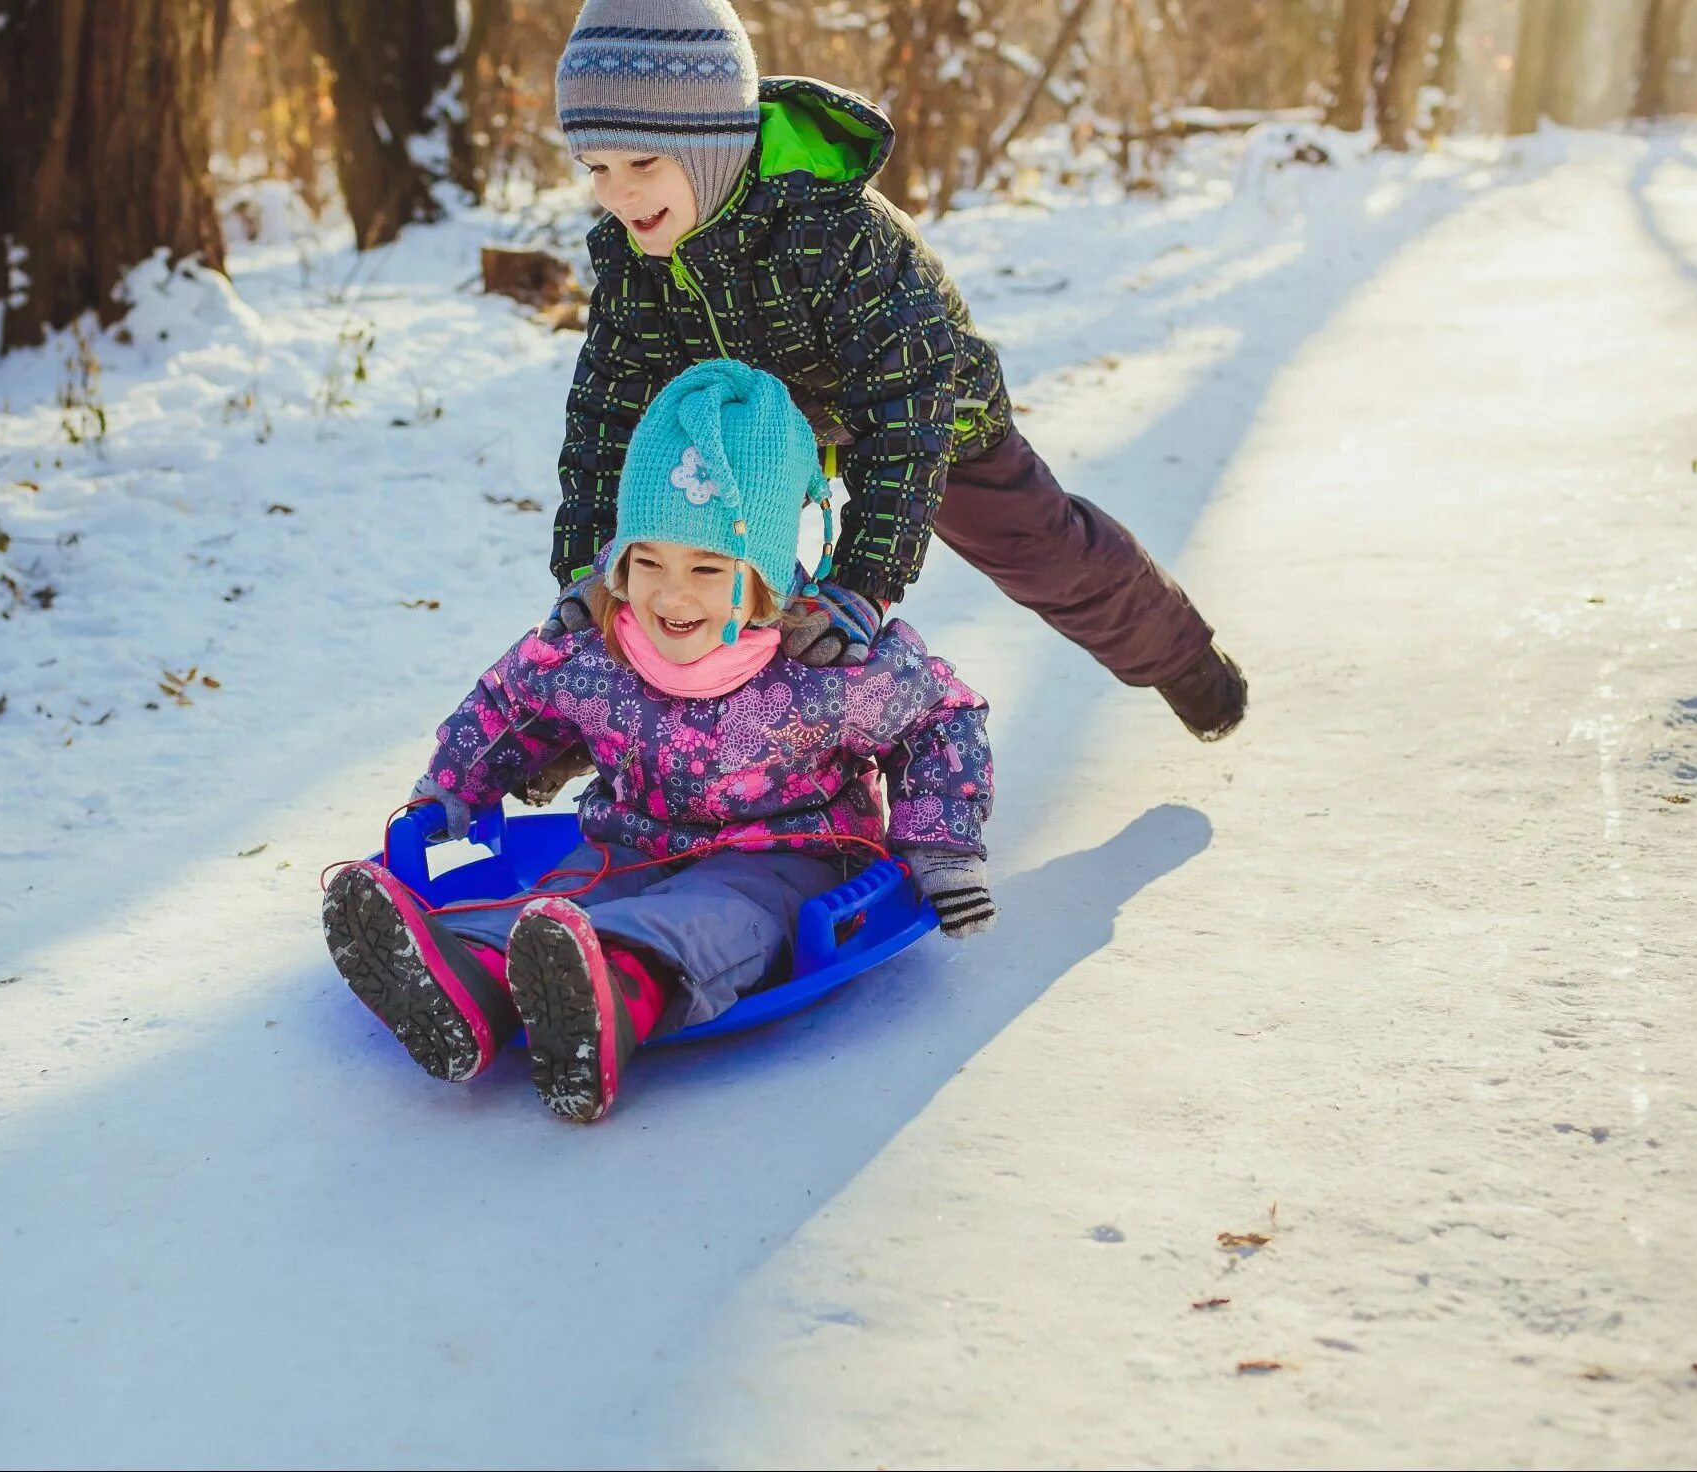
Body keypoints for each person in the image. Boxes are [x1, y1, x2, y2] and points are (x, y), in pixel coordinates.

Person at [541, 0, 1247, 739]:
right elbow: (611, 414)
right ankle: (599, 739)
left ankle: (1184, 663)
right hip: (763, 427)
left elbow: (907, 413)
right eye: (596, 167)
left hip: (930, 410)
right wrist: (592, 566)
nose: (616, 193)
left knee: (1042, 553)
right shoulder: (634, 259)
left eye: (643, 164)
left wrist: (862, 585)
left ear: (713, 144)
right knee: (674, 579)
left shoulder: (838, 231)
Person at [322, 360, 995, 1124]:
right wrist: (451, 790)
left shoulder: (827, 667)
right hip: (628, 843)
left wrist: (940, 844)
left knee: (709, 915)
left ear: (764, 577)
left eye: (708, 568)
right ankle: (465, 980)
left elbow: (942, 715)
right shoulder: (601, 647)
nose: (672, 596)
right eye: (648, 562)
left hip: (784, 859)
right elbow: (514, 704)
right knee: (552, 906)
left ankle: (609, 996)